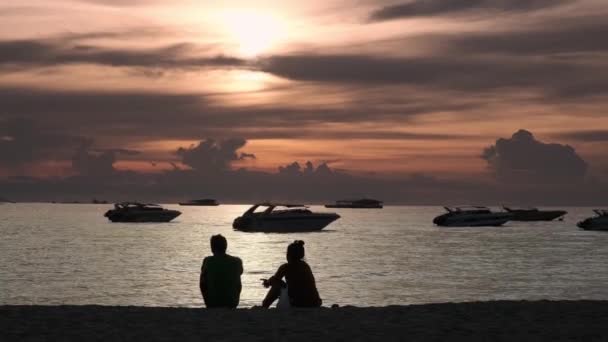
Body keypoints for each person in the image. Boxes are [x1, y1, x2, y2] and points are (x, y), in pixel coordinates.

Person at [262, 240, 322, 308]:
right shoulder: (306, 266)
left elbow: (274, 280)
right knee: (281, 283)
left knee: (277, 285)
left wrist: (267, 282)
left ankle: (264, 306)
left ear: (288, 255)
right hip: (314, 303)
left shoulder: (286, 267)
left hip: (297, 303)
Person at [200, 234, 243, 308]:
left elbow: (202, 284)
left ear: (212, 248)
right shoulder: (237, 261)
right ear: (225, 246)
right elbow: (240, 273)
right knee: (236, 276)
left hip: (212, 303)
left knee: (203, 277)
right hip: (232, 303)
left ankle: (209, 303)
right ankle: (232, 298)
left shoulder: (207, 261)